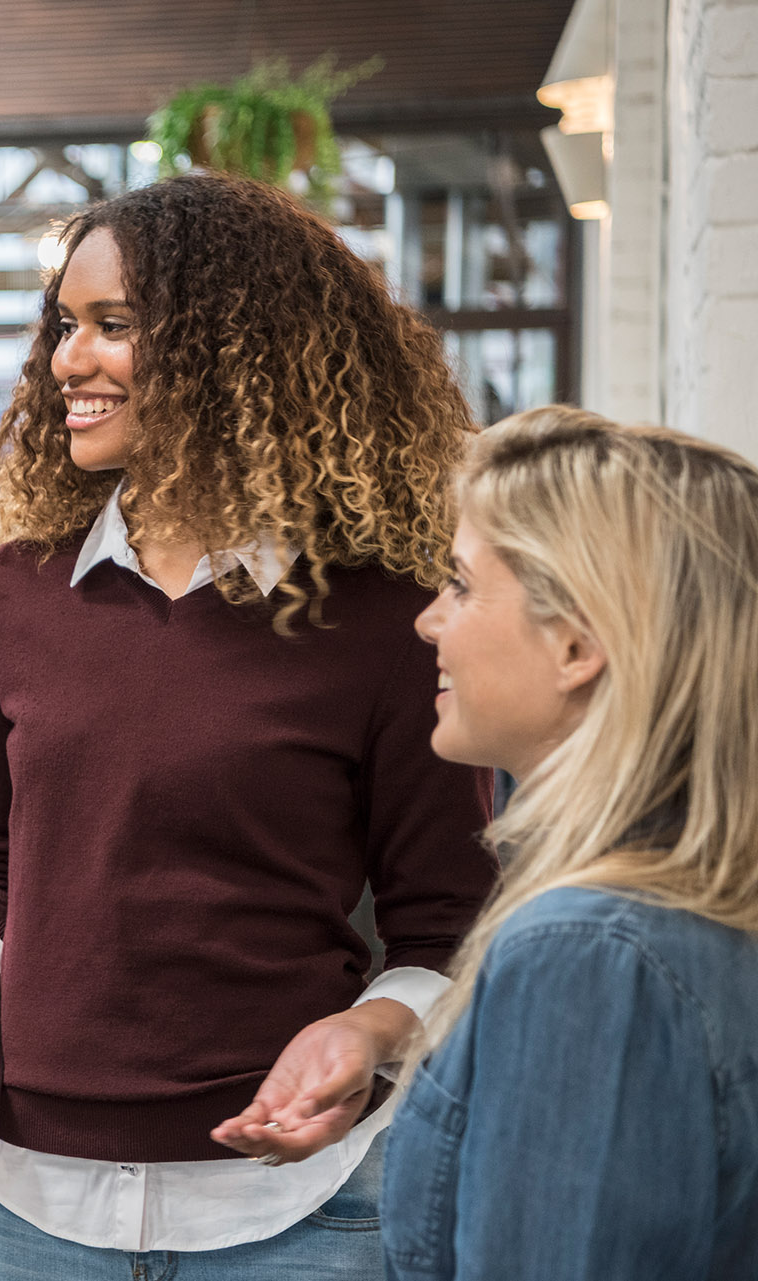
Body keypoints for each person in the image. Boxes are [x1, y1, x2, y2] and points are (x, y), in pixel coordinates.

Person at [0, 174, 498, 1278]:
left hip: (299, 1222)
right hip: (26, 1217)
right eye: (63, 327)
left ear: (236, 346)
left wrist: (369, 1037)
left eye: (113, 326)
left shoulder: (385, 617)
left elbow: (445, 927)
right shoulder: (7, 595)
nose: (67, 363)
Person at [384, 408, 758, 1278]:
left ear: (577, 644)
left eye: (463, 585)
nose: (428, 623)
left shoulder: (590, 954)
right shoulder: (667, 901)